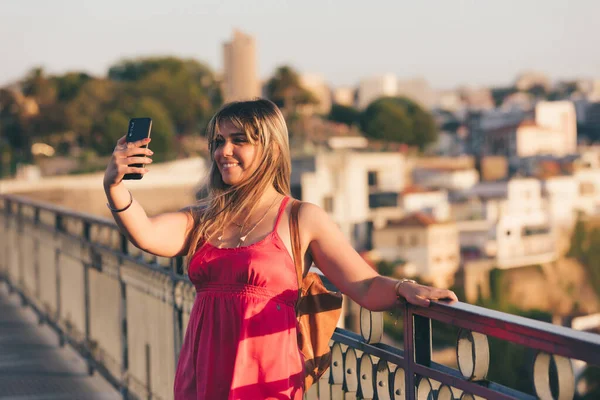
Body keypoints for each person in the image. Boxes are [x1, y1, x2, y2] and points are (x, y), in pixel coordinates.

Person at [103, 99, 458, 399]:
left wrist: (404, 288)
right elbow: (146, 233)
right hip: (203, 373)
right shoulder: (202, 219)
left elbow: (364, 285)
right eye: (218, 141)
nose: (223, 151)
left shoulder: (301, 218)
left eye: (238, 140)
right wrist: (115, 185)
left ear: (270, 147)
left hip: (266, 379)